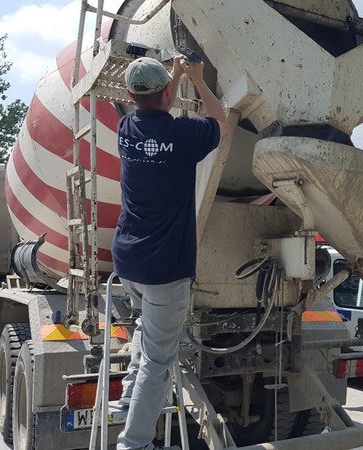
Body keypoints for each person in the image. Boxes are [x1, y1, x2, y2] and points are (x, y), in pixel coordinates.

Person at [112, 53, 230, 450]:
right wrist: (197, 79)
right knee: (158, 361)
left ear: (130, 94)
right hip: (165, 268)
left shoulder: (126, 128)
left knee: (148, 330)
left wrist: (175, 73)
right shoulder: (185, 135)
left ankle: (128, 399)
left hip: (129, 261)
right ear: (167, 91)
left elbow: (153, 105)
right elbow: (222, 122)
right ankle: (135, 442)